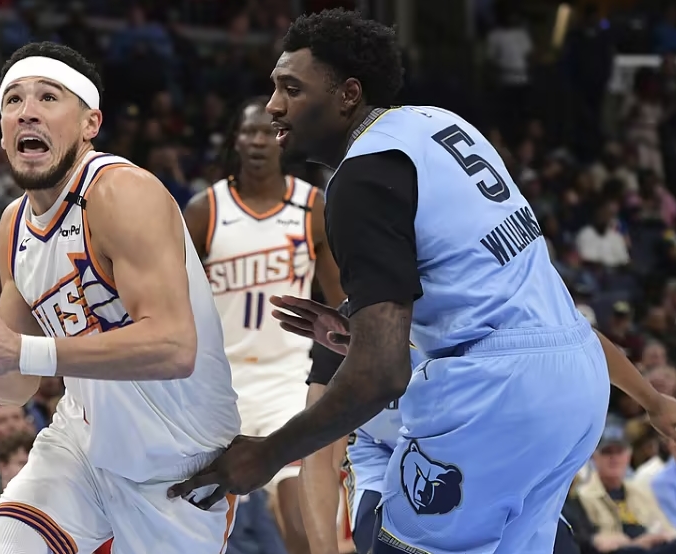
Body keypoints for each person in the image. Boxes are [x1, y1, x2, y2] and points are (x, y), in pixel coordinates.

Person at [169, 10, 676, 554]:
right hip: (577, 381)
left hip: (495, 394)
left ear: (348, 94)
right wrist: (363, 325)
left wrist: (267, 454)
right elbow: (498, 293)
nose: (273, 105)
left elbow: (381, 374)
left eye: (292, 89)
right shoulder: (439, 125)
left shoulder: (360, 180)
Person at [0, 41, 240, 554]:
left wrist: (20, 351)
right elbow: (16, 381)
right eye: (13, 100)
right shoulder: (13, 225)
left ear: (90, 123)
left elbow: (173, 348)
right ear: (2, 131)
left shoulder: (122, 192)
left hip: (180, 465)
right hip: (81, 446)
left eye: (48, 97)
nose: (27, 111)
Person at [184, 96, 346, 554]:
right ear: (235, 141)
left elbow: (340, 303)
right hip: (219, 381)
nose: (257, 141)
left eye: (266, 132)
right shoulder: (205, 209)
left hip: (287, 379)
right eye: (248, 131)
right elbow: (173, 300)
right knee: (202, 518)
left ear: (283, 140)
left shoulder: (311, 206)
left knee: (300, 511)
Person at [304, 308, 581, 554]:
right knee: (383, 543)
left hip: (472, 448)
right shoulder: (342, 325)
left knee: (546, 542)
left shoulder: (481, 311)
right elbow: (318, 457)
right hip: (379, 452)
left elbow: (585, 344)